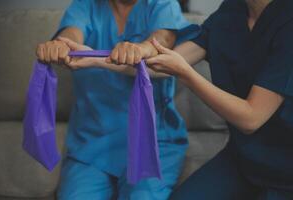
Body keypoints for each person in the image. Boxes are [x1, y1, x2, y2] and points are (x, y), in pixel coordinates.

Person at [35, 0, 198, 199]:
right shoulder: (86, 5)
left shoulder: (162, 4)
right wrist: (61, 45)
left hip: (153, 143)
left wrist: (143, 48)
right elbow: (71, 32)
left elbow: (164, 38)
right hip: (91, 143)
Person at [146, 0, 293, 199]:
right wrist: (97, 57)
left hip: (289, 171)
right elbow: (159, 64)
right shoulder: (231, 10)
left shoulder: (291, 21)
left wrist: (186, 74)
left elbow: (251, 119)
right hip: (242, 160)